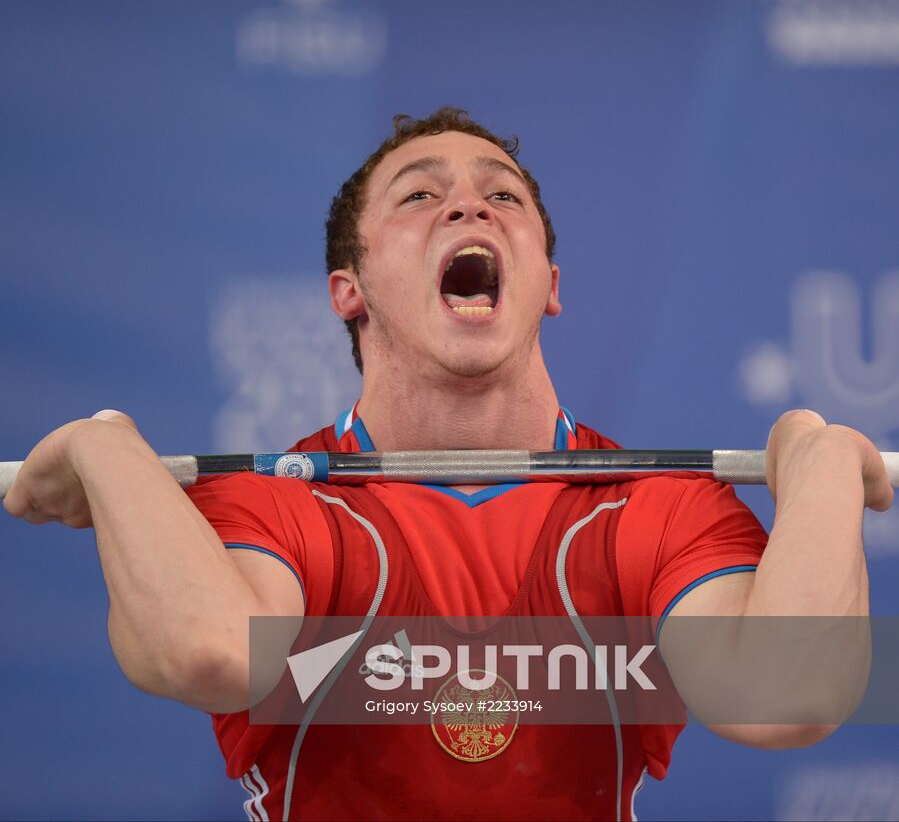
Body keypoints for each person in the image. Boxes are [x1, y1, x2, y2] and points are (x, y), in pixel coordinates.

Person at [4, 108, 893, 822]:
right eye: (418, 196)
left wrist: (814, 458)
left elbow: (790, 691)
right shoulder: (280, 503)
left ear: (548, 282)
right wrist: (105, 443)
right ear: (347, 289)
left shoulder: (654, 507)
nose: (469, 209)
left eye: (502, 198)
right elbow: (204, 653)